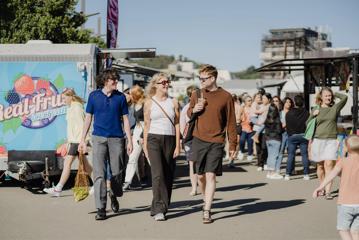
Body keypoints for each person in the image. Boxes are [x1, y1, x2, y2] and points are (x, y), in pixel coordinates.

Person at [78, 69, 133, 220]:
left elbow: (126, 120)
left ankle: (114, 195)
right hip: (98, 138)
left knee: (117, 172)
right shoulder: (94, 96)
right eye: (113, 80)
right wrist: (82, 139)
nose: (116, 82)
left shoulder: (121, 97)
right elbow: (88, 118)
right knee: (99, 174)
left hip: (117, 139)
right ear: (105, 81)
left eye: (116, 79)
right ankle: (100, 208)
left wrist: (129, 139)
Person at [187, 64, 237, 224]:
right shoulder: (197, 94)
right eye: (199, 78)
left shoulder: (226, 96)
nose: (201, 81)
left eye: (204, 78)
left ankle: (207, 210)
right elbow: (188, 113)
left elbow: (231, 122)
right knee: (200, 176)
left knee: (210, 175)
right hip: (198, 139)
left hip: (217, 141)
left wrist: (233, 145)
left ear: (213, 78)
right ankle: (205, 198)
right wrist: (195, 109)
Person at [143, 73, 181, 221]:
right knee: (157, 174)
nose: (165, 84)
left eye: (167, 82)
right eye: (162, 82)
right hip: (153, 138)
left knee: (168, 175)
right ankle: (160, 209)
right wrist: (145, 146)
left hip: (170, 139)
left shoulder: (174, 102)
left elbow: (177, 124)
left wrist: (178, 145)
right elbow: (146, 125)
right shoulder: (149, 102)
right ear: (155, 85)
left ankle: (159, 205)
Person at [44, 88, 92, 196]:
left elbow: (81, 125)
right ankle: (99, 184)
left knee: (67, 163)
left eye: (64, 98)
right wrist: (69, 141)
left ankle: (58, 189)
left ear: (70, 96)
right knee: (85, 164)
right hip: (75, 141)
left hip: (78, 141)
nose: (63, 100)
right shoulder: (72, 107)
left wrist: (82, 141)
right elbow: (73, 127)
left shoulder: (76, 108)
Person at [313, 135, 359, 240]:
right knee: (356, 231)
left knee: (343, 229)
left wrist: (320, 187)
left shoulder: (343, 161)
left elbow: (331, 174)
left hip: (345, 203)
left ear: (346, 148)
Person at [308, 87, 347, 200]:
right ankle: (322, 186)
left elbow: (344, 97)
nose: (328, 98)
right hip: (318, 140)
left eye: (329, 96)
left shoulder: (334, 108)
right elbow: (307, 124)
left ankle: (328, 191)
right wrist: (313, 115)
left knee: (329, 165)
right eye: (326, 96)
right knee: (320, 166)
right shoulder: (316, 108)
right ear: (321, 97)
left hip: (331, 140)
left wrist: (334, 92)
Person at [123, 85, 146, 191]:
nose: (128, 95)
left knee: (150, 158)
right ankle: (127, 181)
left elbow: (148, 121)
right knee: (132, 157)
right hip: (137, 129)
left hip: (145, 130)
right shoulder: (134, 104)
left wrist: (142, 135)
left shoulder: (145, 104)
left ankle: (159, 179)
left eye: (130, 93)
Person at [284, 95, 310, 180]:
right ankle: (306, 174)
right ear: (302, 103)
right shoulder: (306, 113)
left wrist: (290, 134)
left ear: (294, 102)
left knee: (291, 155)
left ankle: (287, 174)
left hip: (292, 136)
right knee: (304, 155)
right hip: (303, 135)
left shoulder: (289, 113)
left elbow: (287, 126)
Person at [180, 85, 199, 196]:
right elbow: (183, 126)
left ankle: (202, 184)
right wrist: (183, 139)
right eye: (192, 94)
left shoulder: (203, 106)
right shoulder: (186, 108)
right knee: (192, 163)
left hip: (202, 137)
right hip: (190, 138)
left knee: (201, 162)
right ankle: (194, 187)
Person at [264, 102, 283, 179]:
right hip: (276, 138)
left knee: (270, 156)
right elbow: (279, 130)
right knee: (274, 156)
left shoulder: (267, 119)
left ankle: (269, 172)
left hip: (268, 139)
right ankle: (273, 173)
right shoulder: (277, 119)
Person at [277, 97, 293, 172]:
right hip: (283, 133)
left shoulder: (292, 112)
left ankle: (291, 169)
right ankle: (277, 168)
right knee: (281, 151)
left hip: (291, 133)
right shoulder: (280, 113)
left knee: (291, 152)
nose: (288, 103)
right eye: (287, 102)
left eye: (290, 102)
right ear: (283, 103)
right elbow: (279, 125)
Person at [239, 95, 255, 162]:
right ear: (245, 102)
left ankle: (250, 154)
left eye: (251, 100)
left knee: (250, 142)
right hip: (243, 127)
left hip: (251, 128)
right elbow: (239, 116)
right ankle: (241, 151)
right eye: (248, 101)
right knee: (242, 140)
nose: (250, 102)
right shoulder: (243, 108)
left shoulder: (253, 108)